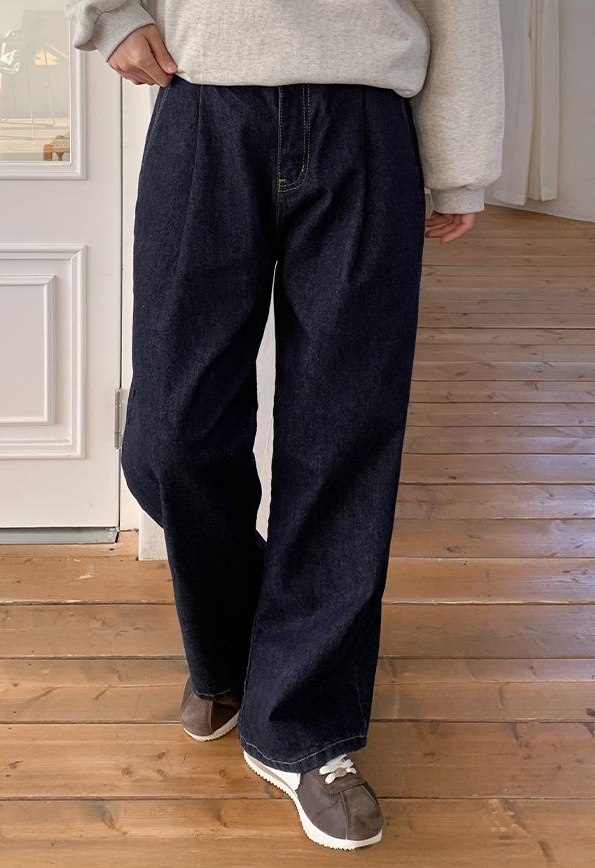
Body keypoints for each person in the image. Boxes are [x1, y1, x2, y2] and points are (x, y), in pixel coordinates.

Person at [64, 0, 505, 850]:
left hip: (367, 118)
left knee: (345, 435)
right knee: (170, 439)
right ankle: (238, 655)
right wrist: (112, 11)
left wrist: (461, 164)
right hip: (205, 105)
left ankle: (302, 728)